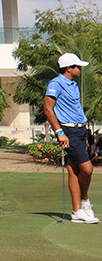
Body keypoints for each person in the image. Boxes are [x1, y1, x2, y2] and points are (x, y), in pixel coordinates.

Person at [45, 52, 96, 224]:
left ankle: (77, 211)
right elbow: (48, 109)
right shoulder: (55, 84)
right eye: (77, 66)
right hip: (69, 131)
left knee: (74, 169)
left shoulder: (73, 84)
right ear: (69, 68)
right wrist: (60, 133)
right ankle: (85, 201)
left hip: (80, 130)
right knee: (87, 169)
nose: (80, 69)